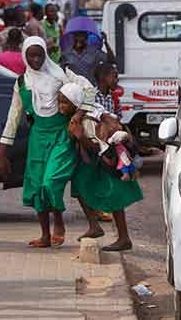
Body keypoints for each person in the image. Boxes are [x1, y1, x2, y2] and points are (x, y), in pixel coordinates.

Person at [0, 37, 80, 248]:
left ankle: (58, 221)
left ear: (45, 54)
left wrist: (79, 117)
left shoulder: (61, 77)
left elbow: (82, 94)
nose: (35, 59)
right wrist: (2, 153)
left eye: (39, 55)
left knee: (50, 181)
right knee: (35, 185)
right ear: (24, 56)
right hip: (37, 139)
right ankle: (45, 234)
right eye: (31, 55)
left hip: (61, 136)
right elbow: (13, 118)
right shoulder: (22, 83)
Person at [58, 81, 143, 251]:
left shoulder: (87, 120)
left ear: (76, 103)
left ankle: (124, 238)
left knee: (114, 197)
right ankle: (94, 226)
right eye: (59, 101)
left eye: (64, 102)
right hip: (95, 163)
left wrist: (79, 136)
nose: (60, 106)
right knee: (79, 186)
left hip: (105, 164)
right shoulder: (86, 113)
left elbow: (98, 146)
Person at [60, 17, 116, 82]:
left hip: (90, 88)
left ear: (86, 38)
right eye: (78, 36)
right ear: (73, 37)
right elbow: (62, 72)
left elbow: (111, 60)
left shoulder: (94, 51)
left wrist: (106, 43)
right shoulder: (66, 54)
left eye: (83, 36)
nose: (80, 38)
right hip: (73, 88)